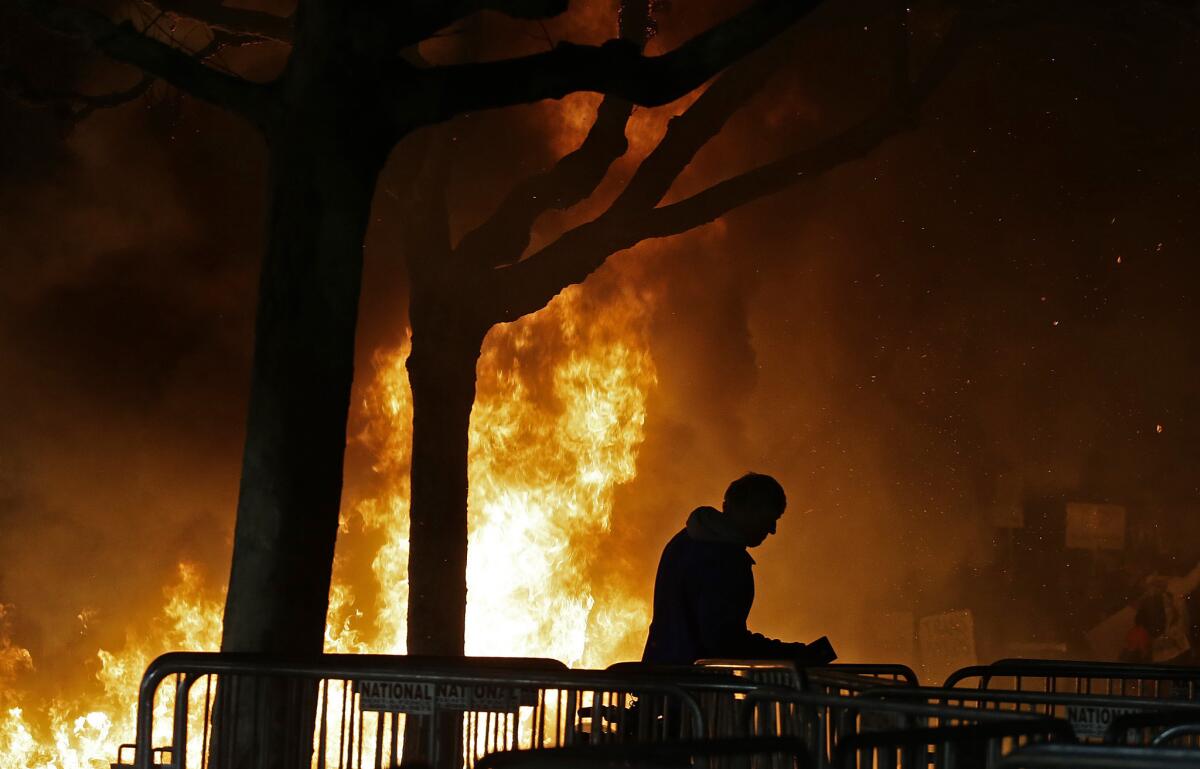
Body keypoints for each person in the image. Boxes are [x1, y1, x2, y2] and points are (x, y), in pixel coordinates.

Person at [642, 472, 836, 666]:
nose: (772, 529)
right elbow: (724, 642)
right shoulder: (726, 559)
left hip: (660, 680)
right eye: (770, 518)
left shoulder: (684, 540)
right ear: (749, 509)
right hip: (692, 686)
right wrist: (797, 656)